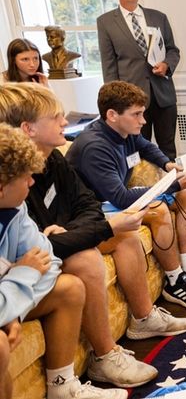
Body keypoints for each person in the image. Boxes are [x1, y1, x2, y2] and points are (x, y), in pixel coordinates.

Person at [0, 83, 186, 387]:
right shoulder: (14, 181)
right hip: (51, 251)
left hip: (64, 237)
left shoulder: (52, 158)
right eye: (56, 117)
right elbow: (43, 247)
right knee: (88, 257)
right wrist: (90, 230)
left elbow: (86, 203)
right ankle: (105, 357)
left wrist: (78, 229)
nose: (66, 122)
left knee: (126, 236)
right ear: (29, 129)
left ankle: (143, 319)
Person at [66, 81, 186, 310]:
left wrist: (167, 165)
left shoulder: (123, 130)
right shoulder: (94, 147)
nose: (143, 121)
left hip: (114, 197)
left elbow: (146, 147)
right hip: (97, 207)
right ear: (112, 115)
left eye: (142, 114)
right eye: (136, 115)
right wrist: (172, 185)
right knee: (158, 210)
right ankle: (174, 282)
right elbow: (121, 199)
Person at [0, 123, 126, 399]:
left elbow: (47, 261)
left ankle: (63, 387)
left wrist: (13, 310)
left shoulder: (15, 208)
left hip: (6, 299)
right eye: (25, 178)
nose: (32, 182)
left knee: (69, 288)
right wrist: (20, 276)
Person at [97, 0, 180, 159]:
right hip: (131, 101)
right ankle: (143, 189)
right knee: (136, 152)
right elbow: (109, 65)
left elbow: (173, 50)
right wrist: (116, 103)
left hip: (163, 95)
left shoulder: (158, 17)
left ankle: (172, 187)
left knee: (167, 148)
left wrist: (167, 65)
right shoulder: (106, 22)